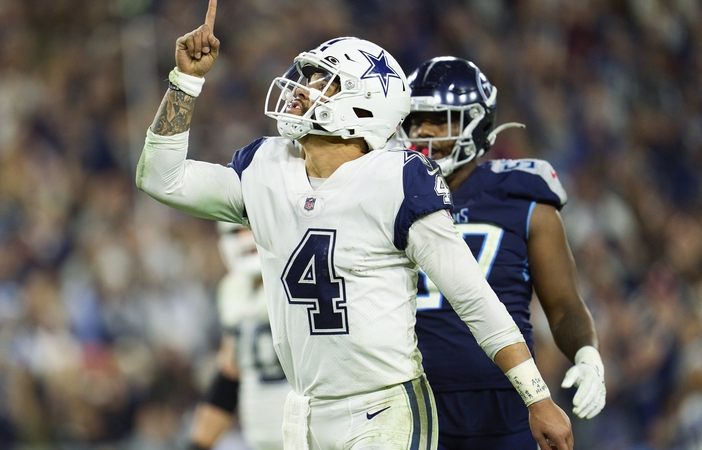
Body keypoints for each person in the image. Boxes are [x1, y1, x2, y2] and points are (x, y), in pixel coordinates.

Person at [135, 1, 573, 448]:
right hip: (302, 409)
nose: (301, 89)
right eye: (306, 77)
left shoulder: (397, 179)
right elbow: (160, 178)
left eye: (322, 80)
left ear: (363, 105)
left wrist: (537, 398)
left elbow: (474, 297)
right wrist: (186, 81)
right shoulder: (266, 166)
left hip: (382, 410)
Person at [397, 56, 606, 449]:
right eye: (416, 119)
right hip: (410, 402)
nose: (423, 131)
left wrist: (587, 354)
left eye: (440, 119)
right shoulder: (389, 194)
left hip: (506, 400)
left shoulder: (523, 199)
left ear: (477, 123)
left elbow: (563, 305)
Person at [187, 223, 289, 450]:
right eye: (237, 230)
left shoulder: (301, 280)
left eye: (251, 227)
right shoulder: (233, 289)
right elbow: (230, 374)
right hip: (261, 440)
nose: (245, 238)